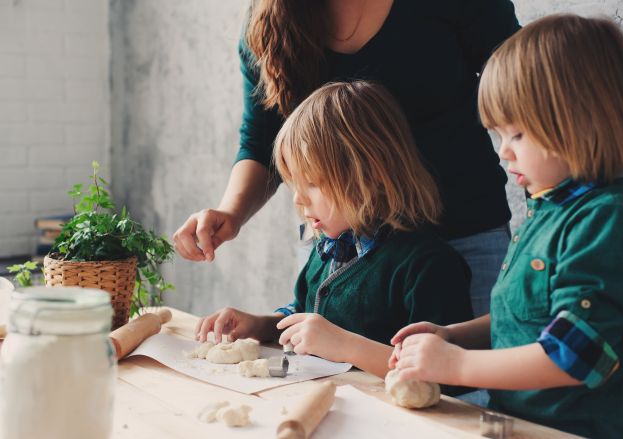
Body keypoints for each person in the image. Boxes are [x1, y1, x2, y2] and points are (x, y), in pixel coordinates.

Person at [388, 14, 623, 438]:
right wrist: (454, 337)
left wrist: (456, 365)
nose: (503, 153)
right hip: (513, 426)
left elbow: (575, 355)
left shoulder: (605, 223)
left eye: (516, 134)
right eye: (497, 135)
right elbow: (527, 319)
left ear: (577, 119)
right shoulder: (544, 211)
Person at [173, 0, 521, 317]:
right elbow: (263, 136)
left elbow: (525, 85)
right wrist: (230, 213)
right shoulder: (267, 21)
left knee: (461, 382)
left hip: (464, 233)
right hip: (341, 251)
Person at [195, 81, 473, 379]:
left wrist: (345, 346)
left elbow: (444, 378)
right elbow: (302, 314)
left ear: (371, 173)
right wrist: (260, 325)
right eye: (294, 185)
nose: (299, 200)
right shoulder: (326, 250)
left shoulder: (427, 267)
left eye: (311, 183)